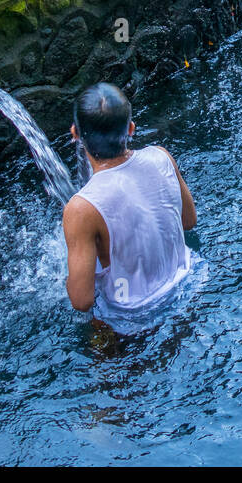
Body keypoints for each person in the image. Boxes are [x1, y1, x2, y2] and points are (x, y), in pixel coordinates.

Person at [63, 83, 196, 315]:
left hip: (134, 317)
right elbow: (189, 221)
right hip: (189, 283)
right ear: (131, 128)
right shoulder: (161, 156)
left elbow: (82, 301)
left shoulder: (81, 208)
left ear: (75, 133)